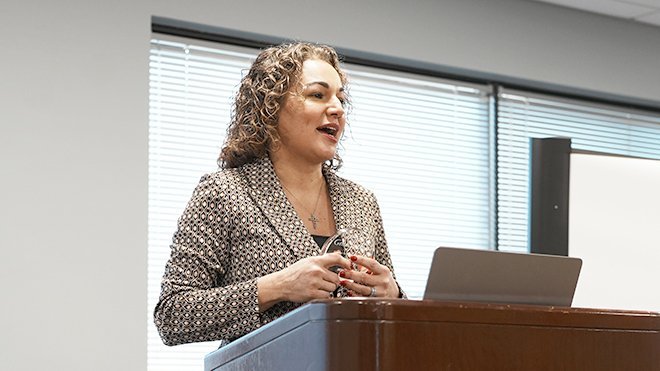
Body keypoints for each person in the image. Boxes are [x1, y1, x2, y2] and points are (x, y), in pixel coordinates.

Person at [154, 42, 404, 347]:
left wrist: (393, 294)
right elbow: (172, 317)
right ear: (270, 108)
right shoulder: (223, 192)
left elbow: (395, 316)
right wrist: (278, 286)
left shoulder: (362, 202)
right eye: (317, 95)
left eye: (341, 98)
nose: (337, 108)